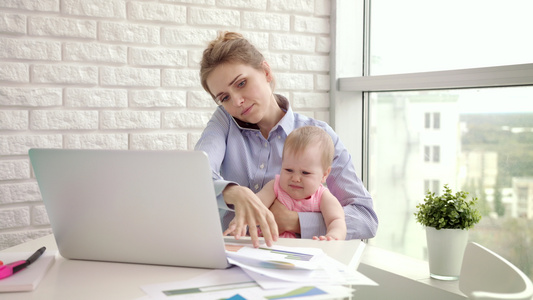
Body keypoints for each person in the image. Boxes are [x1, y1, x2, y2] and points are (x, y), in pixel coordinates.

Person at [195, 31, 378, 248]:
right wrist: (232, 191)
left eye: (242, 83)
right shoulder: (224, 122)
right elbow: (196, 173)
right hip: (229, 259)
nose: (237, 101)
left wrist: (295, 221)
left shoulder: (320, 136)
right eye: (224, 97)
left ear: (266, 72)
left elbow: (365, 217)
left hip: (294, 265)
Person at [256, 126, 346, 241]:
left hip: (303, 253)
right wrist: (240, 224)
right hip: (267, 248)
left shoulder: (322, 197)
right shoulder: (275, 186)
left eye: (305, 173)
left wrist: (333, 237)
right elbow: (254, 205)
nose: (295, 178)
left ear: (324, 175)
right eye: (288, 170)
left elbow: (337, 220)